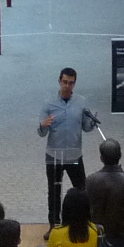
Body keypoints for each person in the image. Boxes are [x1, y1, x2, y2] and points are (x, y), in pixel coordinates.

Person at [38, 66, 99, 224]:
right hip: (54, 155)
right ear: (59, 81)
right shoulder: (49, 103)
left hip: (74, 155)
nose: (67, 86)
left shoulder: (81, 102)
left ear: (74, 84)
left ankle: (83, 223)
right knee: (54, 192)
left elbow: (85, 127)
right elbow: (41, 133)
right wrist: (43, 125)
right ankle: (54, 225)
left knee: (81, 190)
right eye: (64, 82)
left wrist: (92, 121)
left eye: (71, 83)